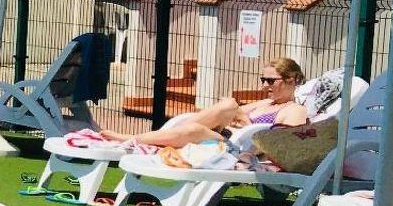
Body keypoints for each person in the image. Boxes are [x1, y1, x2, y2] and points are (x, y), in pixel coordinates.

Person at [129, 58, 314, 148]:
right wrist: (235, 115)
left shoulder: (295, 110)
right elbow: (230, 113)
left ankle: (130, 140)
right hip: (226, 135)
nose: (265, 86)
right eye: (263, 80)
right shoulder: (265, 103)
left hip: (239, 146)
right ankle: (137, 139)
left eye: (271, 81)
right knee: (228, 105)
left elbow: (281, 144)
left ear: (290, 80)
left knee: (196, 129)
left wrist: (244, 122)